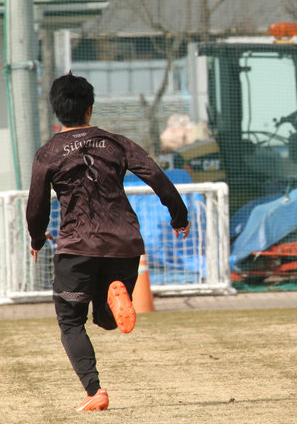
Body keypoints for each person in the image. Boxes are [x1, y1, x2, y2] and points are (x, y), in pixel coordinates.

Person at [25, 73, 191, 412]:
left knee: (71, 321)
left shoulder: (48, 153)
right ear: (89, 109)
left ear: (57, 110)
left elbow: (37, 204)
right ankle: (114, 293)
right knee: (105, 318)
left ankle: (94, 391)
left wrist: (37, 237)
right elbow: (155, 175)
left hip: (77, 247)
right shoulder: (116, 142)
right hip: (124, 244)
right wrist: (179, 216)